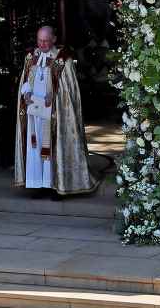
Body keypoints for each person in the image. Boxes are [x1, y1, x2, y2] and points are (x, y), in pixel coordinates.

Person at [14, 26, 100, 195]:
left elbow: (68, 91)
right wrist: (26, 93)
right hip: (34, 113)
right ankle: (38, 185)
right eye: (39, 40)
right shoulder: (31, 57)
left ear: (54, 39)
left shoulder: (63, 59)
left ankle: (56, 185)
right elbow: (25, 80)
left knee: (54, 147)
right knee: (35, 147)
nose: (42, 44)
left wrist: (53, 97)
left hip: (55, 113)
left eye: (46, 40)